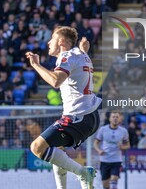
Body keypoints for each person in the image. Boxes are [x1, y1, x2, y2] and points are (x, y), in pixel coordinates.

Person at [27, 27, 101, 189]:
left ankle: (83, 172)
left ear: (61, 42)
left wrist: (36, 65)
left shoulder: (66, 56)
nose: (48, 42)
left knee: (37, 147)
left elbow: (55, 81)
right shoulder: (81, 55)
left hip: (78, 116)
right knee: (56, 151)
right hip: (89, 116)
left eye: (52, 39)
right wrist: (84, 50)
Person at [94, 111, 130, 189]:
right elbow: (96, 143)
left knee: (114, 181)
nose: (115, 119)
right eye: (113, 117)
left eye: (117, 117)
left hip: (116, 160)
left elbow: (128, 145)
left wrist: (122, 147)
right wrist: (99, 150)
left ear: (120, 119)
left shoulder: (123, 131)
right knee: (105, 185)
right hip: (105, 160)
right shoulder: (103, 129)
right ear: (110, 119)